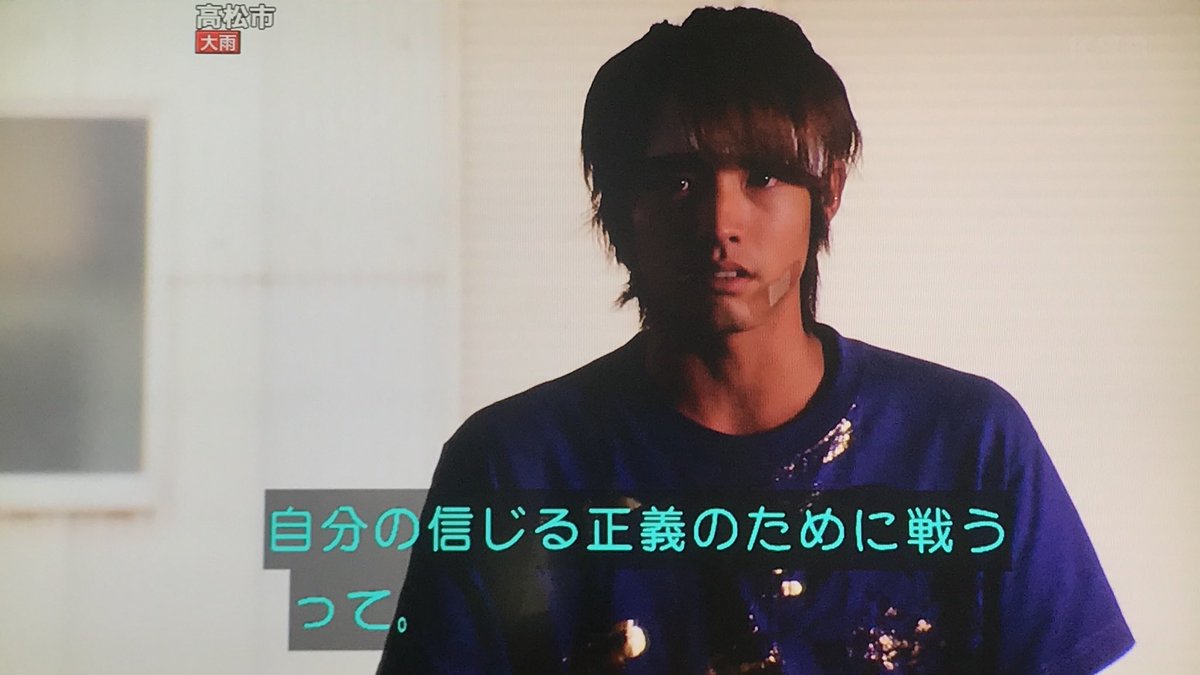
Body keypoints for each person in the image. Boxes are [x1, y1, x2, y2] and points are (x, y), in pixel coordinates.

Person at [376, 7, 1134, 674]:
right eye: (677, 181)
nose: (720, 223)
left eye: (764, 176)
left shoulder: (967, 442)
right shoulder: (513, 467)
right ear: (619, 202)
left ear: (828, 189)